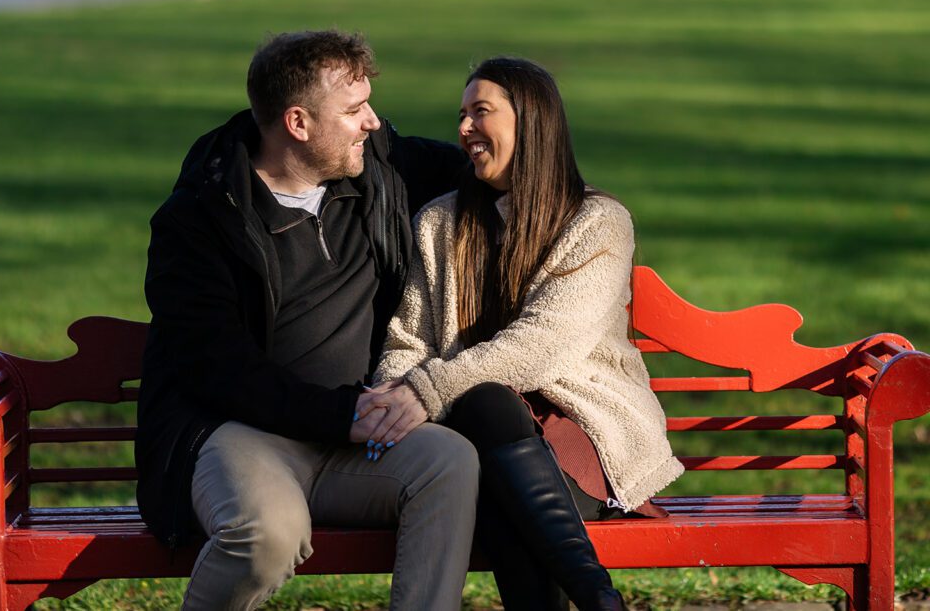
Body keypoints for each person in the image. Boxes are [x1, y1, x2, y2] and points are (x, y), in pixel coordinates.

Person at [134, 30, 479, 611]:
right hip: (240, 434)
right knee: (268, 534)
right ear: (297, 123)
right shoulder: (199, 220)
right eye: (353, 110)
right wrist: (343, 415)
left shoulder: (383, 170)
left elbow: (501, 172)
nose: (372, 121)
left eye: (369, 102)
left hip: (358, 438)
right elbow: (218, 370)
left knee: (448, 461)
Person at [368, 57, 685, 610]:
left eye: (480, 112)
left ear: (530, 122)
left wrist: (428, 390)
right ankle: (600, 600)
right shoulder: (440, 223)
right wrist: (394, 402)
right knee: (487, 424)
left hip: (580, 432)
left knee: (491, 459)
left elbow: (543, 345)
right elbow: (408, 341)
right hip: (476, 431)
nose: (464, 129)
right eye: (461, 114)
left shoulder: (596, 221)